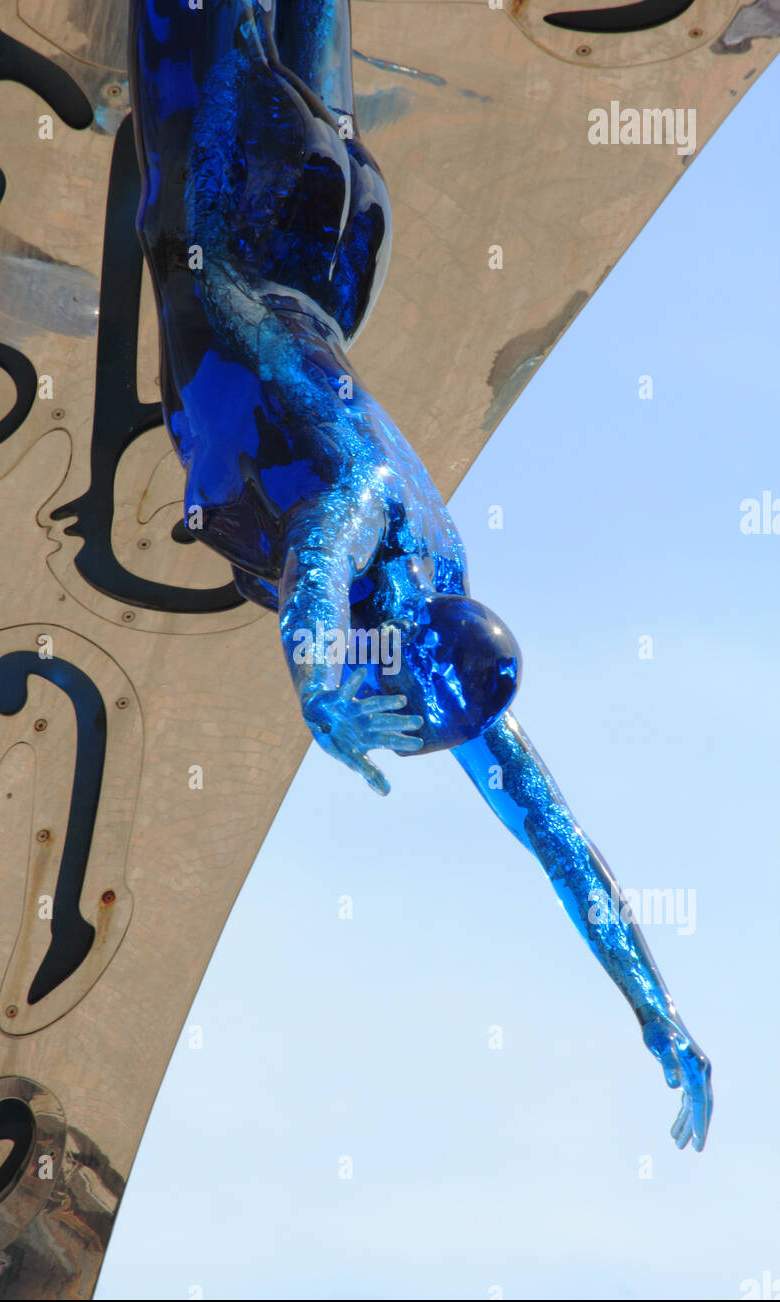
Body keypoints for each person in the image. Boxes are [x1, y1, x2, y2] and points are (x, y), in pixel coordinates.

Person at [128, 0, 712, 1149]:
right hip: (240, 220)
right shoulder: (370, 511)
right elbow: (330, 537)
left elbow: (556, 837)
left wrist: (660, 1017)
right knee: (201, 55)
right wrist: (314, 679)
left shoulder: (440, 557)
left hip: (337, 257)